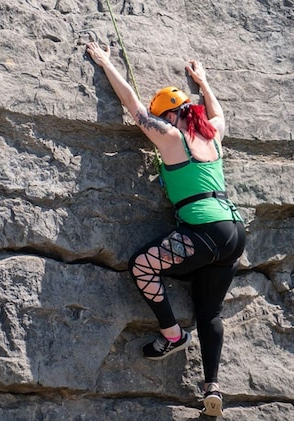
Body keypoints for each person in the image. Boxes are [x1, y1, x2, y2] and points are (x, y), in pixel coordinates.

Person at [85, 40, 246, 417]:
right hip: (234, 233)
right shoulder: (212, 135)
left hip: (205, 231)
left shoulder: (173, 139)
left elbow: (134, 108)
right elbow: (218, 113)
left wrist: (108, 63)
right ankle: (213, 387)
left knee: (142, 265)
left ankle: (172, 336)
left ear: (171, 116)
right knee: (209, 312)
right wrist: (203, 82)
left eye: (165, 116)